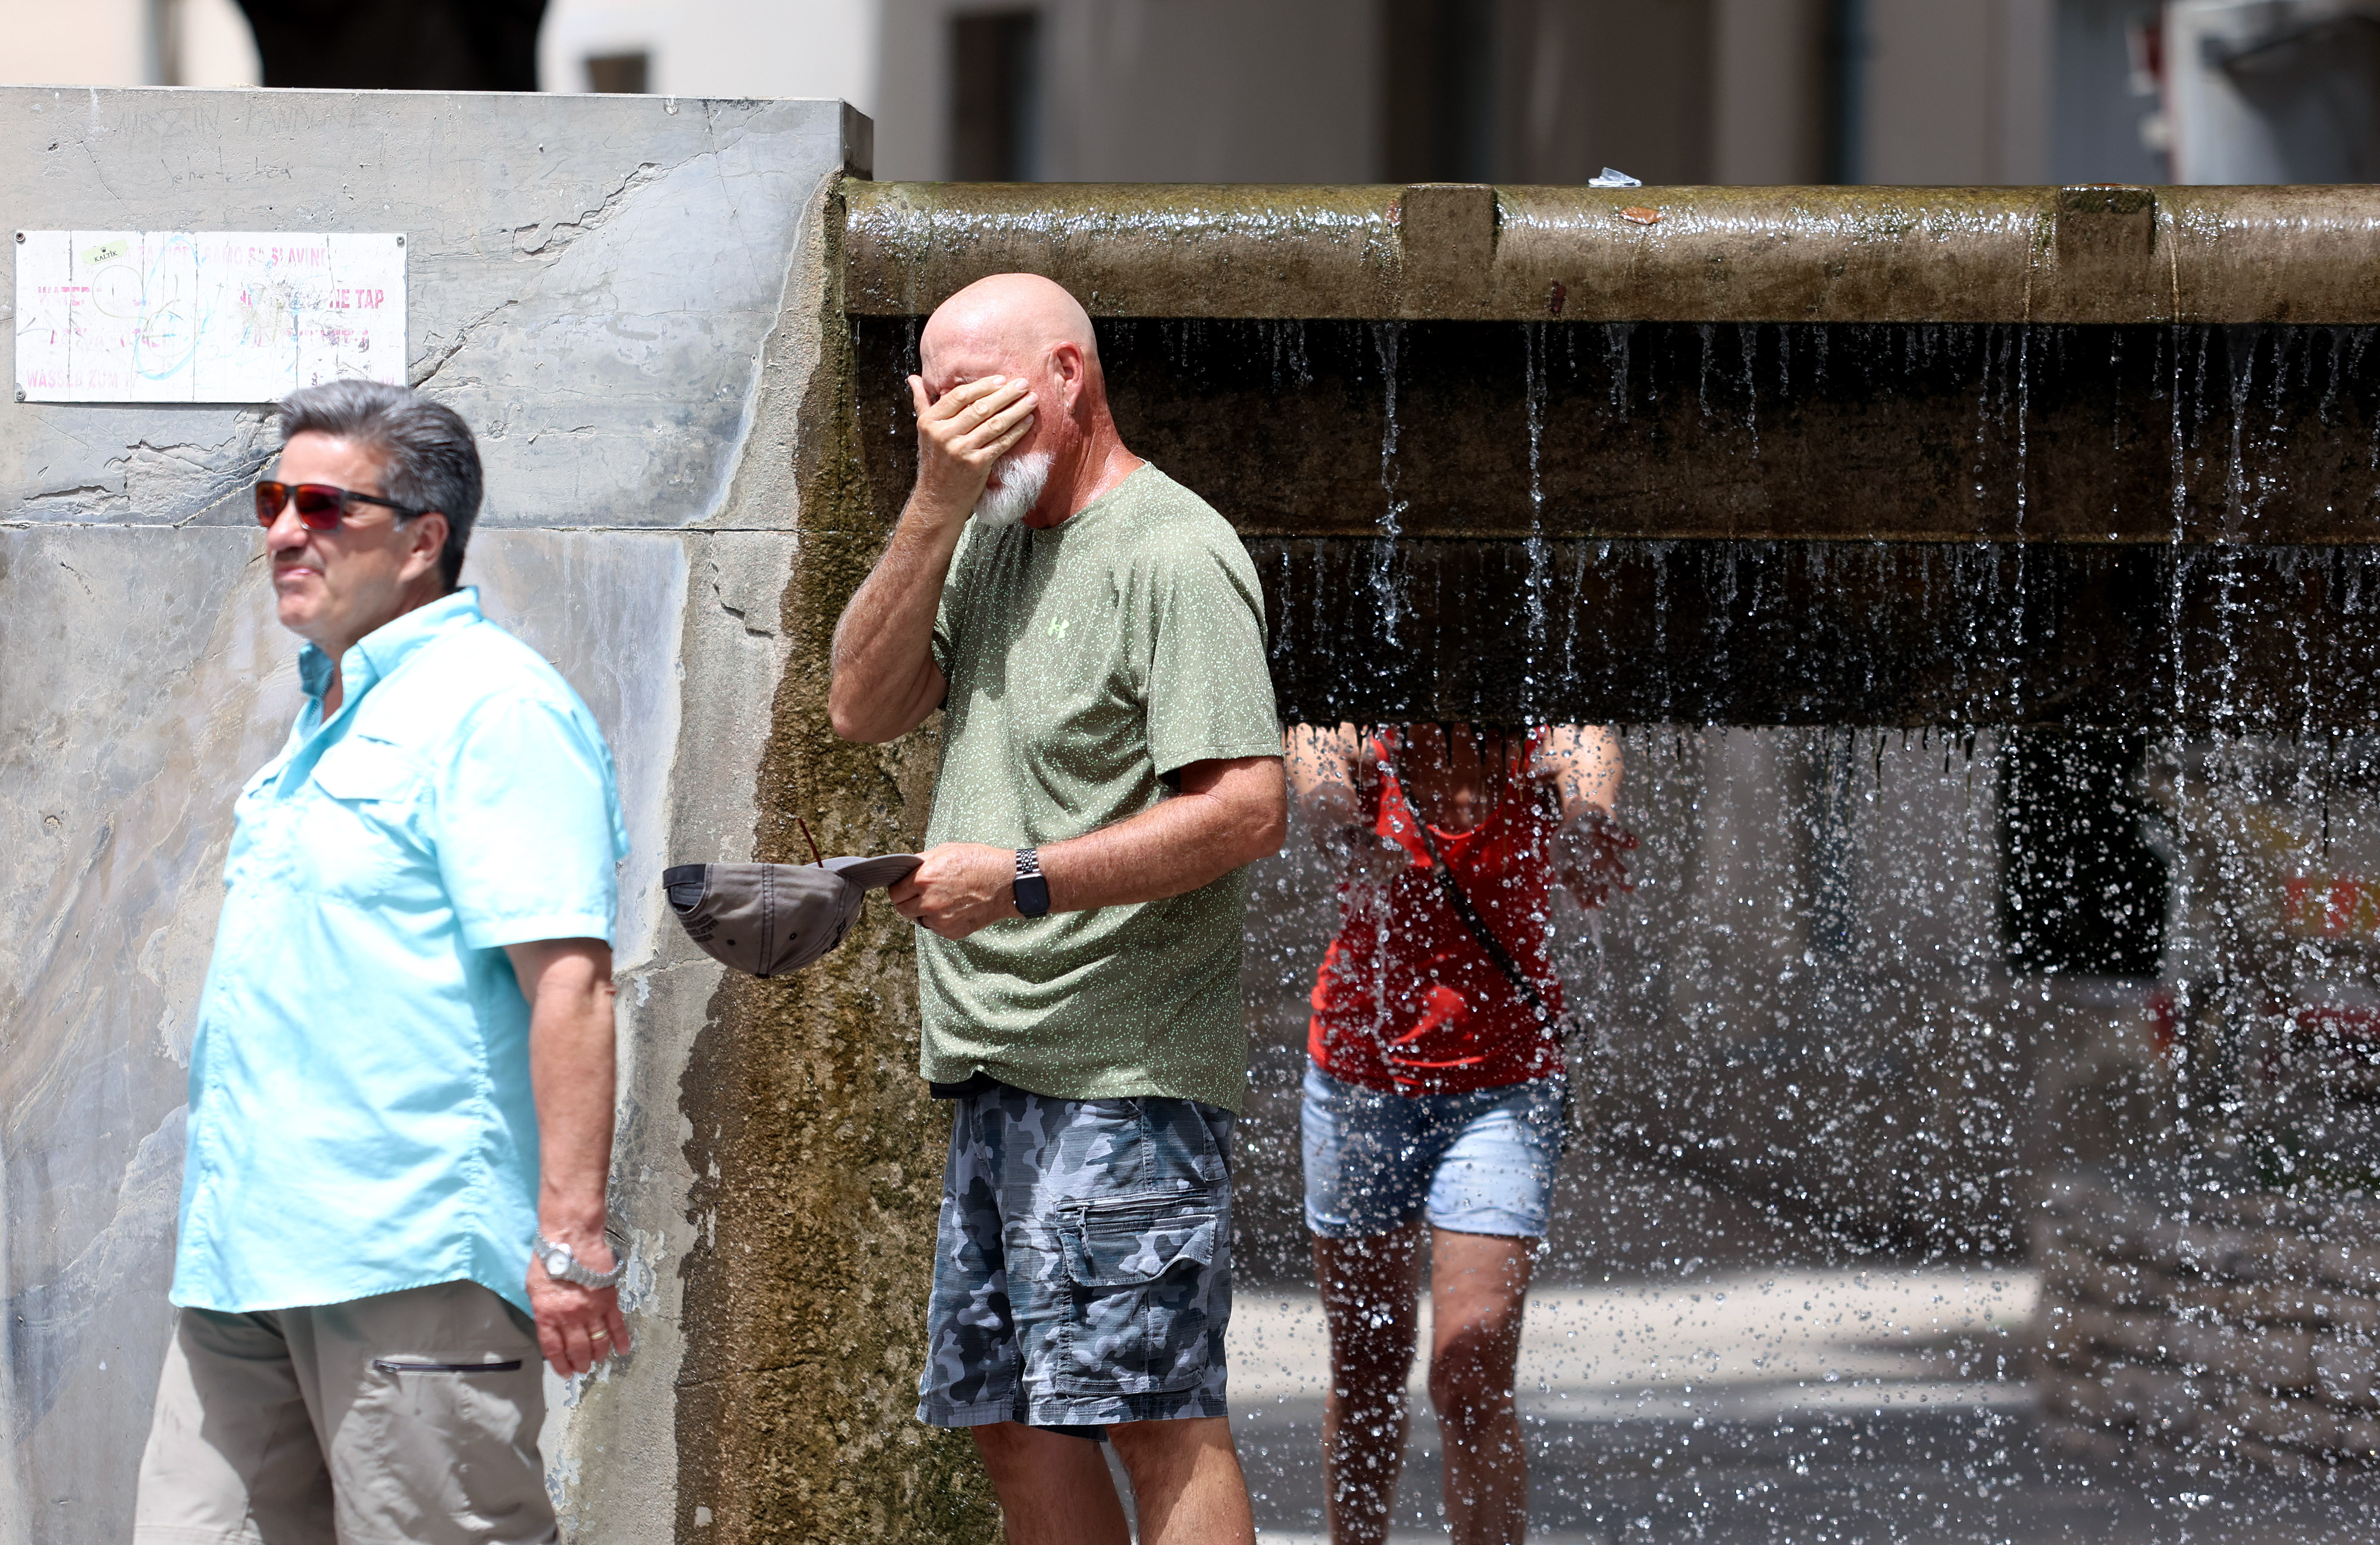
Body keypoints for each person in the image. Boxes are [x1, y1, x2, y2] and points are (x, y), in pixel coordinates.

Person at [828, 272, 1286, 1545]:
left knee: (1152, 1416)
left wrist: (1018, 878)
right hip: (994, 1062)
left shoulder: (1172, 551)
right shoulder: (983, 530)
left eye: (975, 402)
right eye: (933, 407)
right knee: (1013, 1419)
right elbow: (859, 707)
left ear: (1068, 377)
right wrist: (929, 508)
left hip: (1124, 1074)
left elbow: (1248, 807)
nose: (951, 434)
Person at [134, 381, 631, 1545]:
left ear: (423, 539)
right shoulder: (331, 711)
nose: (282, 530)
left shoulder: (495, 709)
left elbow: (569, 978)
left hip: (405, 1246)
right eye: (272, 499)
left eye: (321, 503)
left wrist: (571, 1238)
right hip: (242, 1248)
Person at [1286, 721, 1627, 1545]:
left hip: (1502, 1090)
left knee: (1470, 1376)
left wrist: (1586, 823)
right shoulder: (1370, 728)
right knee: (1366, 1371)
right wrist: (1338, 824)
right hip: (1360, 1079)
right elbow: (1315, 751)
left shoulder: (1540, 731)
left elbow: (1587, 752)